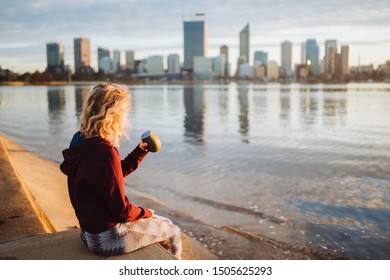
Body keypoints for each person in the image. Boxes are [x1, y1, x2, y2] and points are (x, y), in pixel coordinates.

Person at [60, 82, 182, 258]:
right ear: (113, 115)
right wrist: (146, 212)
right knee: (172, 229)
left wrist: (140, 151)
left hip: (88, 233)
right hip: (106, 239)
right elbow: (122, 211)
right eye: (123, 112)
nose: (125, 118)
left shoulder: (80, 141)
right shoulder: (104, 151)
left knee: (159, 223)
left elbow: (109, 176)